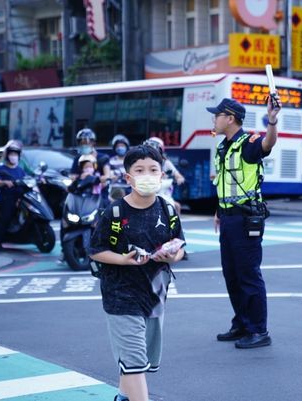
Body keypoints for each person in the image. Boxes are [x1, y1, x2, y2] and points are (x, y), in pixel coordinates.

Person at [89, 145, 185, 401]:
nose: (148, 175)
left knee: (140, 360)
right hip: (121, 296)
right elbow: (96, 250)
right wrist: (124, 259)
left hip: (154, 297)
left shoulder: (168, 211)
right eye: (140, 170)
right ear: (128, 177)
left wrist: (171, 255)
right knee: (134, 362)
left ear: (162, 175)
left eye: (153, 169)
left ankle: (122, 397)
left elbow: (179, 248)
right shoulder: (115, 213)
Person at [208, 95, 281, 349]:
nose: (213, 119)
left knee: (248, 274)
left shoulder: (248, 143)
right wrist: (219, 211)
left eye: (216, 115)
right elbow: (224, 183)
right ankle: (241, 323)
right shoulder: (222, 146)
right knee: (232, 274)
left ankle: (258, 330)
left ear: (230, 118)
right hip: (228, 218)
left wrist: (271, 122)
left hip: (245, 219)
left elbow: (267, 143)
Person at [0, 140, 26, 251]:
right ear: (7, 156)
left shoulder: (20, 170)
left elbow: (26, 180)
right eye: (11, 154)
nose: (13, 157)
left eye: (15, 154)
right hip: (7, 198)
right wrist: (5, 183)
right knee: (6, 218)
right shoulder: (2, 169)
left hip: (20, 198)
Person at [144, 136, 185, 215]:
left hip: (163, 191)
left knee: (175, 206)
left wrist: (179, 178)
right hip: (147, 190)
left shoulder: (166, 163)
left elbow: (177, 174)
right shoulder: (141, 162)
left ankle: (175, 226)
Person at [70, 128, 111, 202]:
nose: (84, 145)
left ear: (93, 143)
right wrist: (81, 177)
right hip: (82, 192)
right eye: (82, 143)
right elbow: (72, 177)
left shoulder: (103, 158)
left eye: (87, 142)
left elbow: (107, 176)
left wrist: (94, 179)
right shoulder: (77, 159)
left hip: (99, 193)